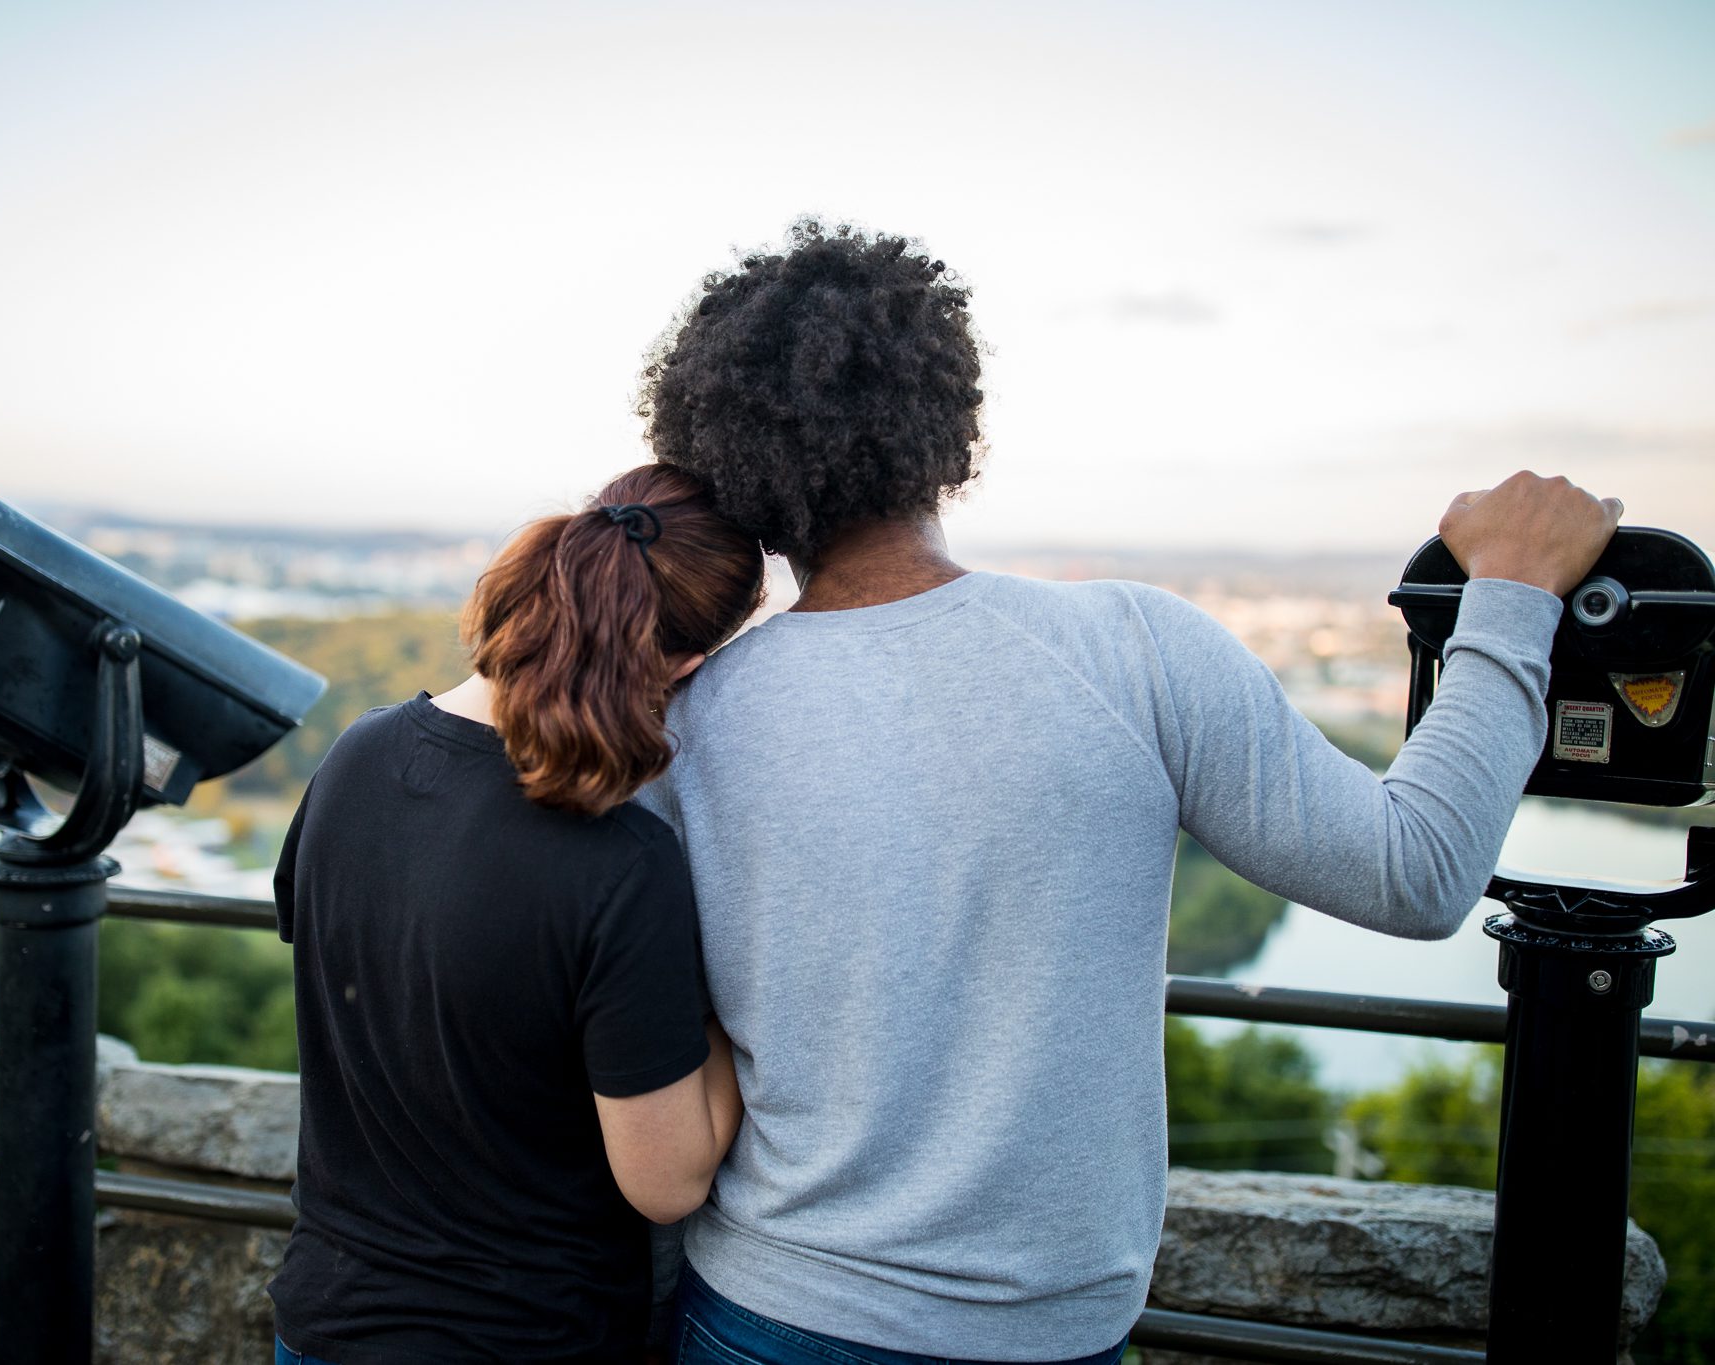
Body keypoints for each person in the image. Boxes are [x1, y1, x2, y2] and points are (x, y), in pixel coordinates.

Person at [632, 220, 1623, 1365]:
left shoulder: (684, 723)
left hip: (764, 1311)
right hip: (1051, 1331)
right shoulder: (1135, 650)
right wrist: (1510, 594)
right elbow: (1416, 873)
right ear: (947, 419)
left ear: (728, 463)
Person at [268, 463, 765, 1363]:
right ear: (687, 665)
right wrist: (733, 1014)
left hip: (323, 1322)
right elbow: (667, 1181)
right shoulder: (620, 864)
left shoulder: (356, 755)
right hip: (518, 1338)